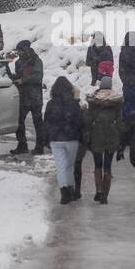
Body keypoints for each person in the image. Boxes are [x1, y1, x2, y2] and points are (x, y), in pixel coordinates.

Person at [43, 76, 85, 204]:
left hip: (55, 139)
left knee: (60, 166)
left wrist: (46, 139)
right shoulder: (74, 104)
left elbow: (46, 123)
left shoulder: (50, 104)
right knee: (69, 166)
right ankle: (71, 189)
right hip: (71, 139)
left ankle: (64, 192)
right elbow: (79, 122)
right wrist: (80, 136)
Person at [83, 75, 124, 204]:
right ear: (111, 86)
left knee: (97, 164)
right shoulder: (116, 100)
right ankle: (105, 195)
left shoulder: (94, 99)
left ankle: (99, 190)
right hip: (111, 136)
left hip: (97, 134)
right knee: (108, 165)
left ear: (100, 86)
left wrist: (87, 133)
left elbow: (88, 119)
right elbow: (120, 122)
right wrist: (120, 138)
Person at [9, 40, 45, 155]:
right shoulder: (18, 63)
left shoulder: (36, 61)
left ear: (26, 50)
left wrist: (23, 80)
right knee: (19, 122)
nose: (18, 53)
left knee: (38, 123)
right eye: (18, 51)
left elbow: (38, 77)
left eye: (20, 51)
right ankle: (22, 145)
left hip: (35, 97)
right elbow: (18, 76)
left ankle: (39, 147)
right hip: (23, 96)